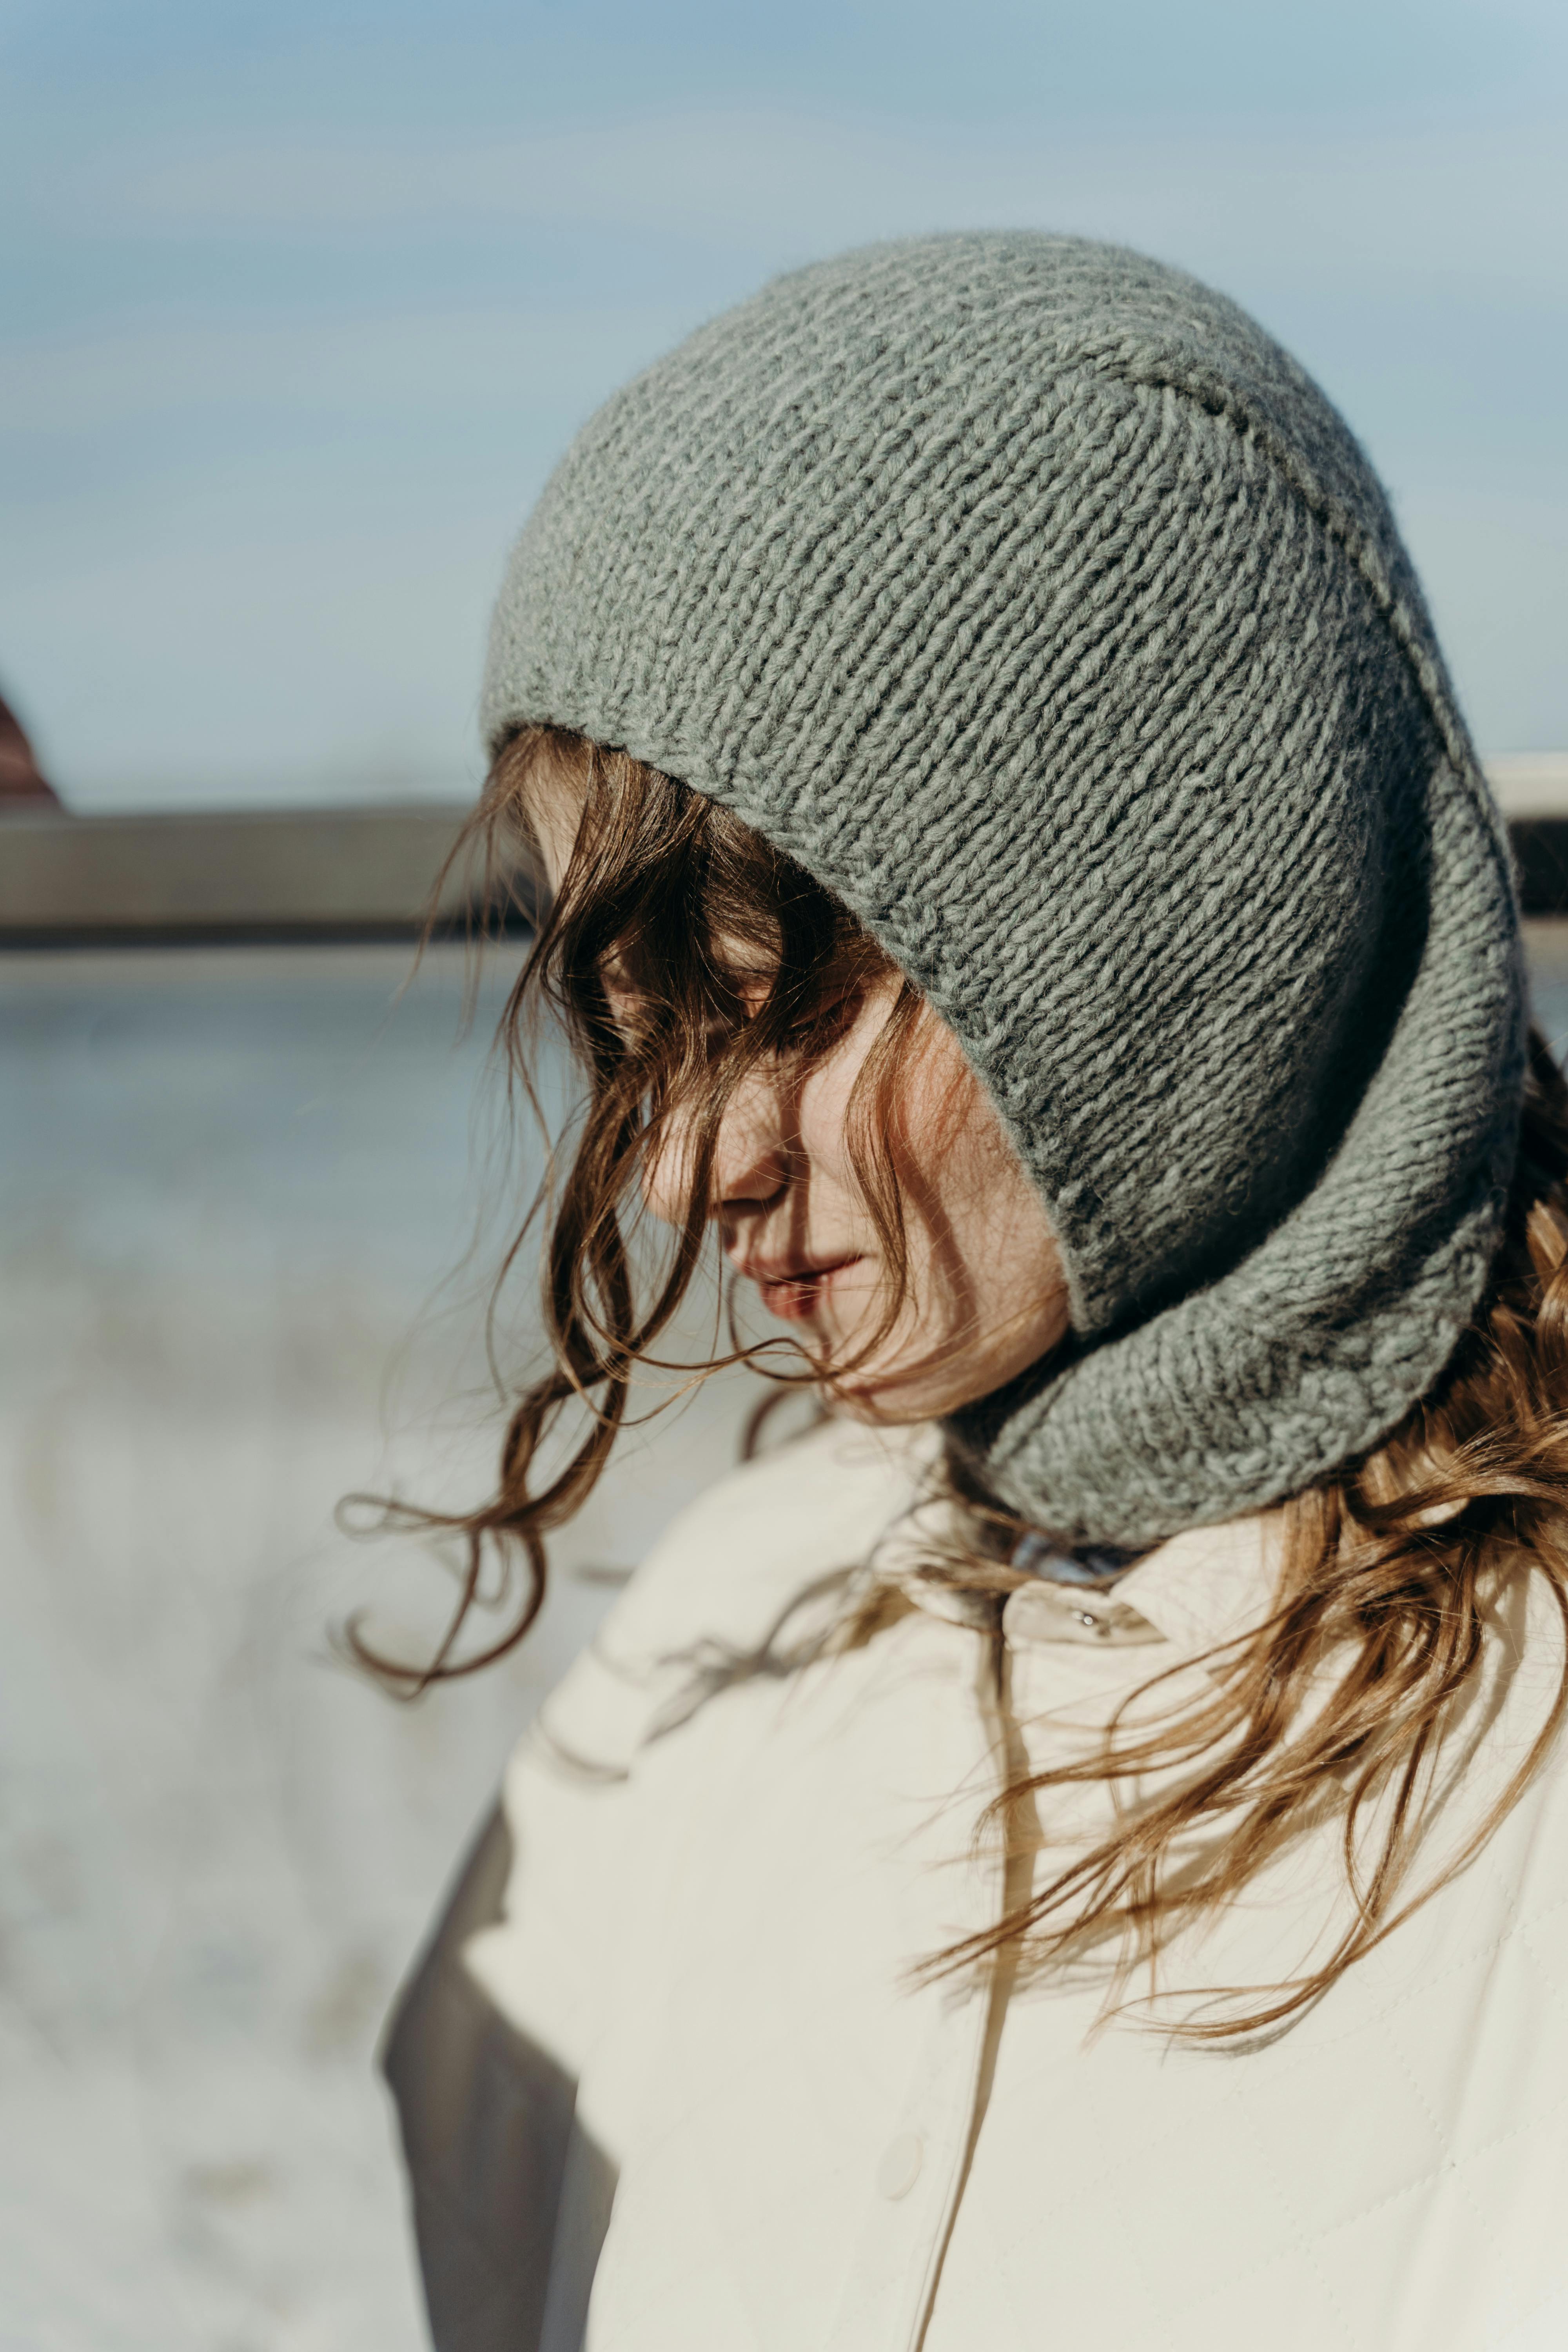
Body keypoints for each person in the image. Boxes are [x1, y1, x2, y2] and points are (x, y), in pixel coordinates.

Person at [379, 234, 1568, 2352]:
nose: (682, 1164)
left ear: (1166, 926)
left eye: (772, 999)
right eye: (635, 1026)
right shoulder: (704, 1658)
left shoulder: (1524, 1768)